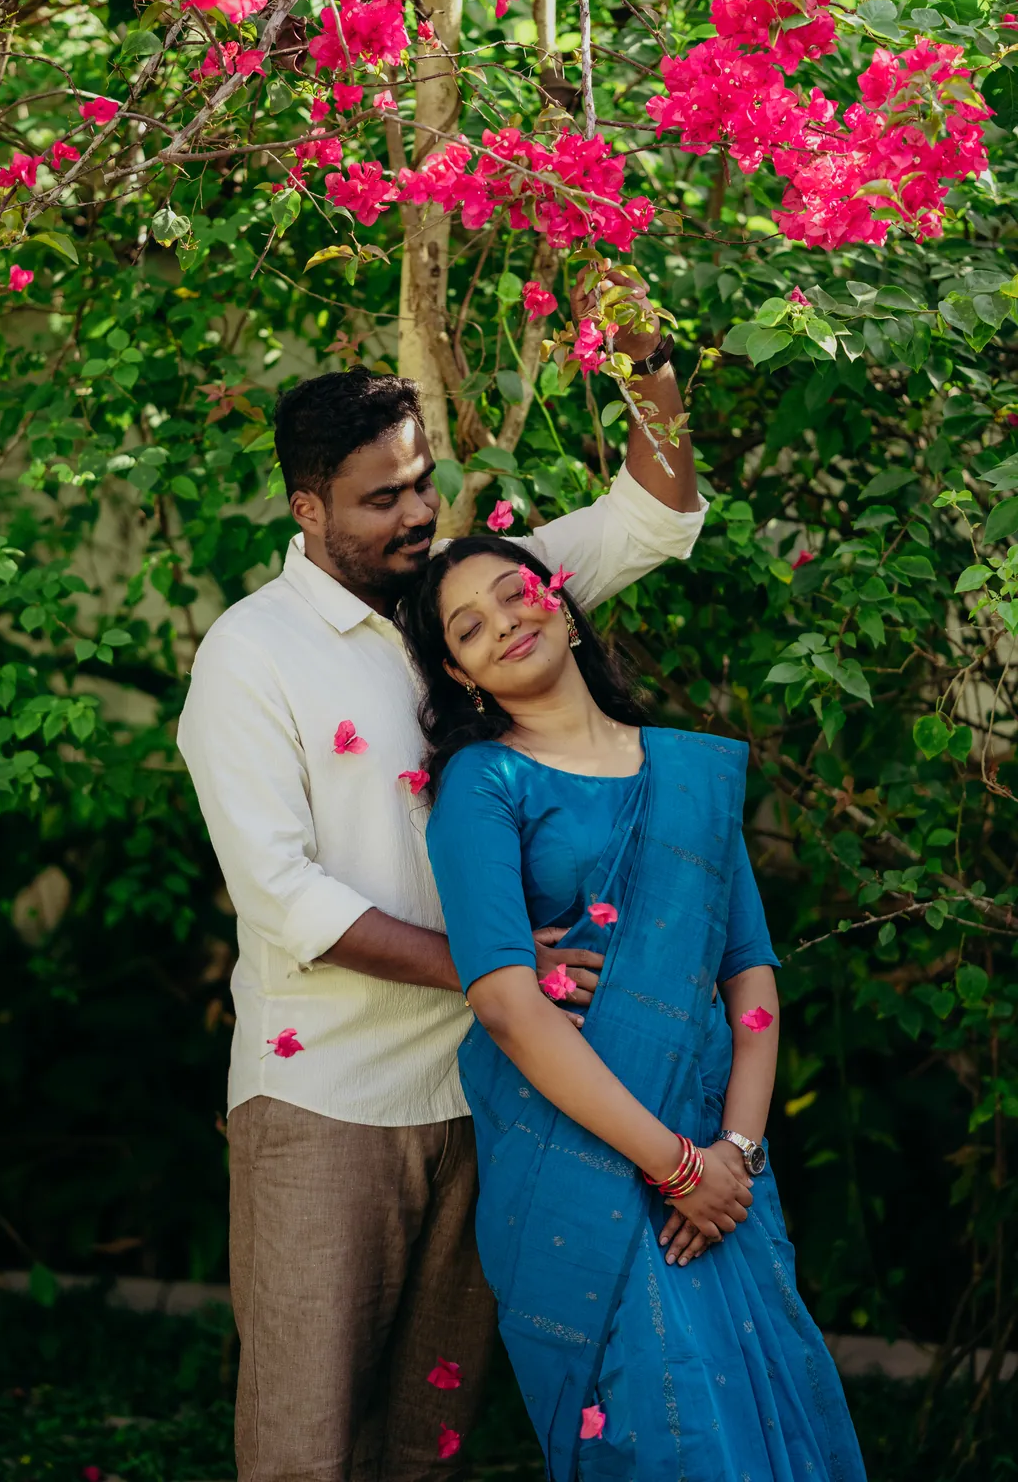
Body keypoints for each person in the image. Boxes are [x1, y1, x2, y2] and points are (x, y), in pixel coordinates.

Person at [177, 309, 706, 1481]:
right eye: (381, 499)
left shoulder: (470, 600)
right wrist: (497, 968)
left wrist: (651, 374)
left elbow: (652, 520)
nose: (416, 514)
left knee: (434, 1443)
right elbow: (282, 898)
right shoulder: (251, 656)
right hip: (326, 1098)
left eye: (421, 483)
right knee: (305, 1446)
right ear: (307, 508)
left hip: (484, 1091)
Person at [404, 537, 867, 1482]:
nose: (506, 625)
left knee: (763, 1419)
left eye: (514, 595)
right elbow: (504, 1002)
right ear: (462, 673)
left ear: (562, 604)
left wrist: (734, 1154)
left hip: (718, 1163)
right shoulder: (485, 784)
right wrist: (677, 1168)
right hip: (581, 1158)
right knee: (662, 1430)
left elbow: (752, 977)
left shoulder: (685, 775)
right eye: (470, 628)